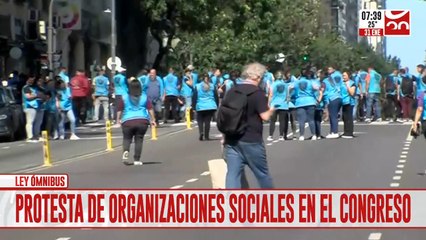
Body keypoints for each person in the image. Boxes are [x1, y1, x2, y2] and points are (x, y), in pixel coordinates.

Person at [222, 62, 275, 189]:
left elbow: (226, 114)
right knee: (262, 174)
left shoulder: (232, 91)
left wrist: (224, 137)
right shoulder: (257, 93)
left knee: (233, 174)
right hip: (251, 139)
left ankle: (231, 204)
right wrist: (272, 109)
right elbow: (265, 117)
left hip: (232, 138)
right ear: (257, 77)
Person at [117, 79, 156, 165]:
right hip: (142, 120)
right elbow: (150, 109)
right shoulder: (144, 97)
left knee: (127, 138)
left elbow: (120, 109)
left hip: (127, 121)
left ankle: (126, 152)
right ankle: (137, 159)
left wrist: (118, 120)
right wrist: (153, 120)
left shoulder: (124, 97)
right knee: (139, 139)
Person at [290, 68, 319, 141]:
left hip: (300, 102)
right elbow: (317, 88)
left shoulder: (296, 82)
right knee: (311, 119)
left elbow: (289, 87)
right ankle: (314, 135)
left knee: (301, 120)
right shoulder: (310, 82)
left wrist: (290, 96)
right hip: (310, 101)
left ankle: (302, 135)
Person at [192, 74, 218, 141]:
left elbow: (194, 97)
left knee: (200, 120)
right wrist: (216, 105)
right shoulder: (212, 86)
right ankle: (206, 136)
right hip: (210, 105)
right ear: (209, 79)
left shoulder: (197, 86)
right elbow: (216, 96)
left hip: (200, 105)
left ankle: (201, 132)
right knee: (207, 121)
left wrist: (194, 106)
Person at [267, 71, 289, 141]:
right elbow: (288, 96)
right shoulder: (285, 85)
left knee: (272, 121)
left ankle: (270, 136)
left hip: (274, 104)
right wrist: (286, 102)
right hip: (283, 104)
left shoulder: (273, 84)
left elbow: (270, 94)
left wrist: (269, 103)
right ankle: (281, 136)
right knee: (282, 121)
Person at [324, 66, 343, 139]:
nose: (329, 70)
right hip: (340, 97)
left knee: (333, 116)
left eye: (330, 69)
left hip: (332, 98)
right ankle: (332, 131)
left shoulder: (327, 80)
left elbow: (325, 92)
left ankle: (334, 132)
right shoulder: (340, 76)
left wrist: (326, 101)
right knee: (334, 115)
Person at [22, 75, 40, 142]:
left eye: (33, 80)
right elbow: (28, 97)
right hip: (29, 106)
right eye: (31, 80)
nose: (32, 81)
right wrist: (36, 95)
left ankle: (32, 136)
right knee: (29, 122)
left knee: (31, 122)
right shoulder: (26, 87)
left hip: (33, 106)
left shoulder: (31, 88)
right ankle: (29, 137)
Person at [341, 71, 356, 138]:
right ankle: (345, 131)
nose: (343, 77)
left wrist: (347, 85)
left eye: (344, 75)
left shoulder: (352, 83)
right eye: (343, 75)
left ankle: (349, 132)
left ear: (348, 76)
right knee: (344, 117)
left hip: (350, 102)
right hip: (343, 102)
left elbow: (352, 93)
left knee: (349, 117)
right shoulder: (341, 83)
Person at [314, 69, 326, 139]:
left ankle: (317, 134)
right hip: (316, 103)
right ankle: (316, 134)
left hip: (318, 104)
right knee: (316, 120)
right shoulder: (316, 82)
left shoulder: (322, 83)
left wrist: (318, 101)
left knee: (317, 120)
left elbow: (322, 93)